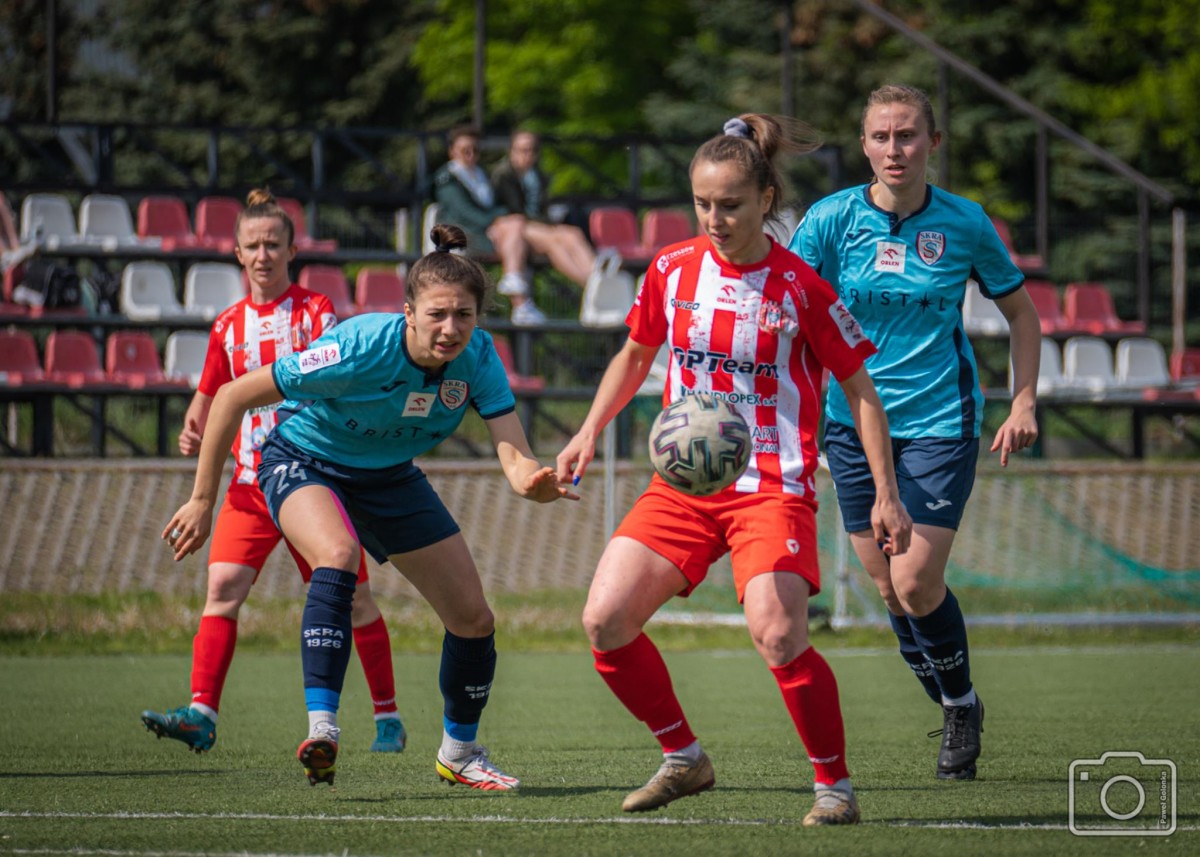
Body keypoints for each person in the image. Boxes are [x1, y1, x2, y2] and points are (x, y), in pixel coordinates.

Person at [555, 114, 912, 826]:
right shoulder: (670, 269)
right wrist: (588, 430)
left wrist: (886, 494)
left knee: (779, 633)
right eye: (702, 203)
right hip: (683, 486)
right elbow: (634, 354)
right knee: (605, 619)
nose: (715, 218)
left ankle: (834, 787)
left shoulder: (802, 287)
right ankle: (684, 757)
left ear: (766, 199)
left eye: (732, 204)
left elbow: (862, 389)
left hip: (772, 489)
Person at [163, 223, 578, 788]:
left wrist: (534, 480)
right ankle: (323, 731)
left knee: (474, 619)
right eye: (437, 314)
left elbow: (514, 454)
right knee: (337, 554)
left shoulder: (479, 357)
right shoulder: (358, 347)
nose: (451, 328)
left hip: (389, 476)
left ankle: (459, 753)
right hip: (303, 459)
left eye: (464, 315)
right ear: (408, 311)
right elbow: (234, 395)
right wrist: (202, 499)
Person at [788, 84, 1041, 781]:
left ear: (933, 141)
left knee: (917, 576)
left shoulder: (964, 222)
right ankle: (952, 691)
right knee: (891, 590)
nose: (894, 149)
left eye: (907, 135)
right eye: (880, 137)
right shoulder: (831, 219)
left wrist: (1023, 402)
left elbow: (1022, 314)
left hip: (939, 421)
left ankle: (958, 704)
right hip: (849, 424)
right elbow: (789, 308)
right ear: (864, 144)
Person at [141, 189, 408, 756]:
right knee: (222, 590)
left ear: (292, 251)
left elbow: (338, 378)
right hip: (246, 490)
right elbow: (212, 392)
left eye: (273, 244)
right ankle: (201, 713)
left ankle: (388, 716)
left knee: (355, 600)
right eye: (252, 245)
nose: (263, 254)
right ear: (237, 254)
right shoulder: (226, 327)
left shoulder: (316, 314)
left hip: (310, 481)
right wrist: (196, 421)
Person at [434, 126, 597, 325]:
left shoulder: (480, 173)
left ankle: (594, 283)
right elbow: (467, 213)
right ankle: (523, 302)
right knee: (526, 227)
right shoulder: (449, 178)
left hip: (500, 231)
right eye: (464, 150)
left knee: (564, 236)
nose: (471, 154)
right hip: (469, 235)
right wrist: (500, 218)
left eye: (475, 150)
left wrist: (502, 218)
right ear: (452, 151)